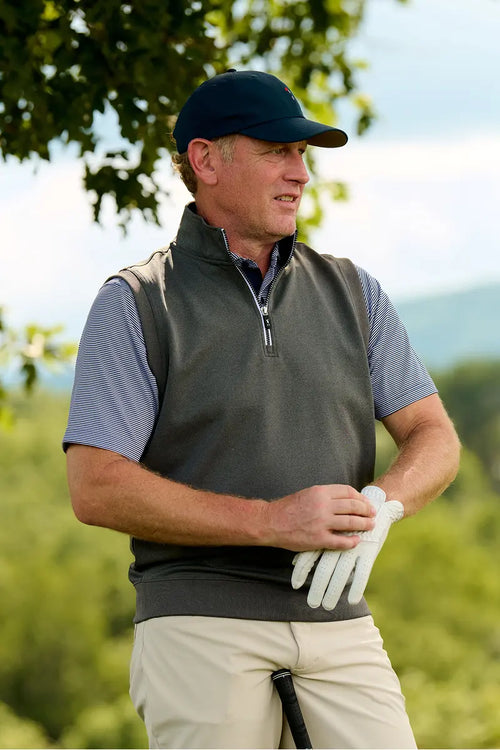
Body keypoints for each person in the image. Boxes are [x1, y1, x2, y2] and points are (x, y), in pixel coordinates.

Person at [64, 69, 460, 749]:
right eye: (277, 150)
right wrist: (270, 522)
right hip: (198, 621)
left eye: (302, 153)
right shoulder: (136, 302)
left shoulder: (354, 291)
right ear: (206, 160)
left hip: (338, 617)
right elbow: (95, 485)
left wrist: (383, 505)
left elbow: (433, 434)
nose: (300, 173)